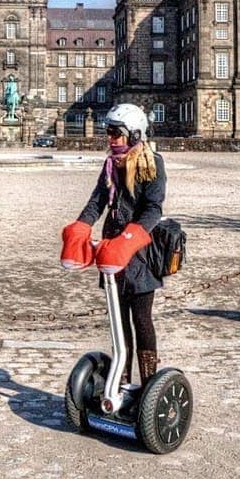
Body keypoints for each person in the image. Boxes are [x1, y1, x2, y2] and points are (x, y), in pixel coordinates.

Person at [62, 103, 167, 383]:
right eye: (108, 131)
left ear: (134, 135)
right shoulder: (110, 164)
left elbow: (153, 208)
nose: (110, 137)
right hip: (111, 250)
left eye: (115, 132)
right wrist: (81, 226)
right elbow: (97, 201)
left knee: (141, 319)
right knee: (118, 320)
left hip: (141, 251)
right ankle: (120, 379)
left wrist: (130, 239)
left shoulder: (152, 162)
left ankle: (148, 383)